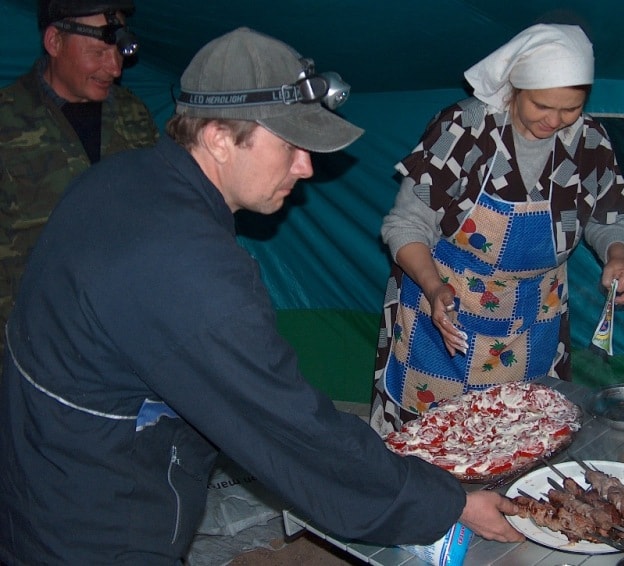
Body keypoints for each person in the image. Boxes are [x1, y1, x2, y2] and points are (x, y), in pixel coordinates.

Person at [0, 27, 522, 564]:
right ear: (220, 138)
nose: (306, 167)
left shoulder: (123, 178)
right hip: (95, 516)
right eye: (291, 145)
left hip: (36, 467)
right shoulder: (187, 267)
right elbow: (294, 434)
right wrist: (447, 502)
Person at [369, 23, 624, 435]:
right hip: (448, 311)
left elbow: (609, 216)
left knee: (520, 435)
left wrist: (619, 257)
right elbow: (405, 224)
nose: (554, 121)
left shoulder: (590, 142)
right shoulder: (464, 129)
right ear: (515, 86)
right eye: (542, 106)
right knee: (439, 441)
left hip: (535, 320)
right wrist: (433, 287)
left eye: (570, 108)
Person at [0, 0, 158, 357]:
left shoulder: (133, 115)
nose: (115, 68)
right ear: (55, 42)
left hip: (118, 345)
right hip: (27, 350)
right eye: (100, 52)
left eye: (118, 53)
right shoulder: (6, 121)